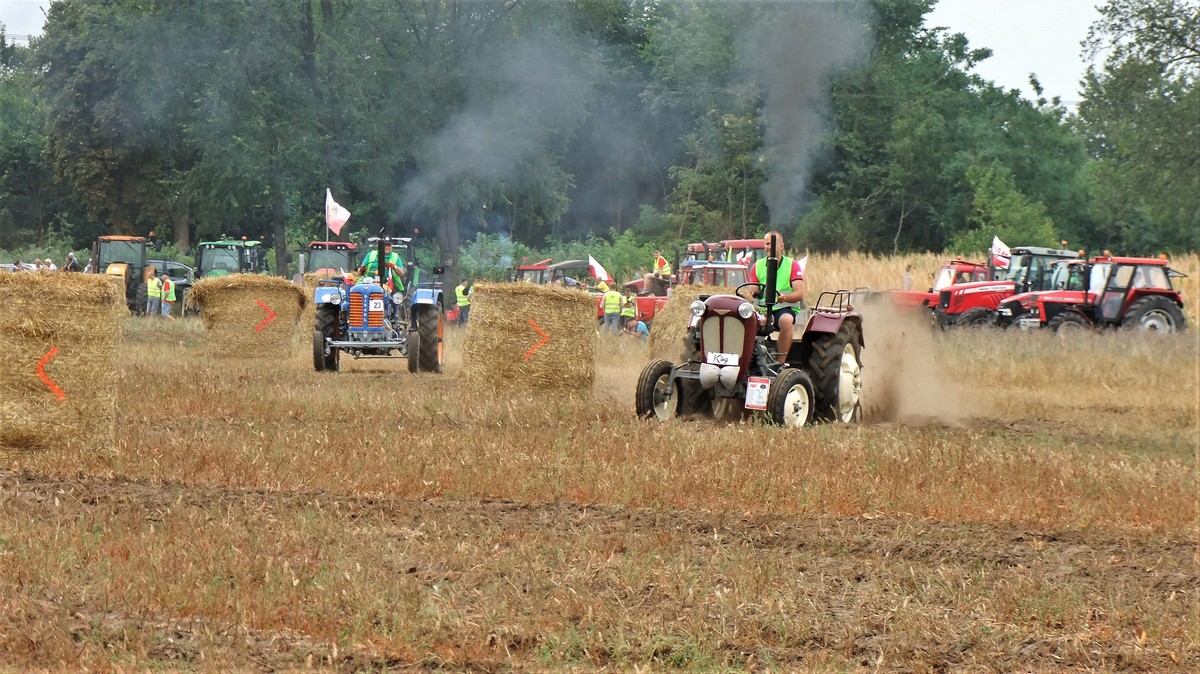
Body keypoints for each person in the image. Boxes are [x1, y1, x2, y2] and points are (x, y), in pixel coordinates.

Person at [739, 230, 805, 365]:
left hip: (784, 308)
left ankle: (779, 363)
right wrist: (749, 297)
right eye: (766, 244)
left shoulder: (792, 265)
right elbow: (754, 294)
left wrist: (784, 297)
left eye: (771, 243)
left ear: (781, 246)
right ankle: (745, 360)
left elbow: (799, 293)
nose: (768, 247)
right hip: (762, 309)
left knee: (787, 321)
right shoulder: (757, 266)